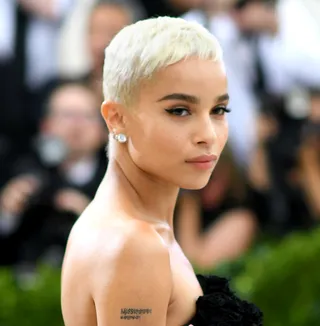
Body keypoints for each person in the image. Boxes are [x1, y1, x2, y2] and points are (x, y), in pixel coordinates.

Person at [61, 16, 263, 326]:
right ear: (116, 118)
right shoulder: (134, 245)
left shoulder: (136, 227)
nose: (207, 134)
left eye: (219, 110)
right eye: (179, 110)